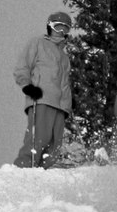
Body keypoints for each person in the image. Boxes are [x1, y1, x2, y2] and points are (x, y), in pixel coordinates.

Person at [13, 11, 73, 168]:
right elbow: (23, 66)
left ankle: (46, 169)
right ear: (50, 27)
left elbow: (64, 82)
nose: (61, 32)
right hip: (42, 98)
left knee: (55, 142)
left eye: (65, 29)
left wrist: (69, 103)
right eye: (57, 27)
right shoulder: (38, 43)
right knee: (39, 136)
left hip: (61, 105)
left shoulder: (65, 56)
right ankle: (25, 165)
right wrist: (27, 86)